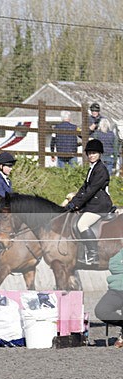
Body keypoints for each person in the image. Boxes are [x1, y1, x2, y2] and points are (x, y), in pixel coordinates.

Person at [65, 138, 113, 266]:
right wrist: (72, 202)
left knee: (82, 224)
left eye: (94, 153)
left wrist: (77, 205)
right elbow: (83, 189)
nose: (91, 155)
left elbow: (91, 191)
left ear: (100, 154)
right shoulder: (92, 168)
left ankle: (93, 254)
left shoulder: (101, 170)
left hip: (100, 205)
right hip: (93, 203)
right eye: (90, 153)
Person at [95, 247, 123, 347]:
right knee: (101, 311)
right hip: (115, 290)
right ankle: (91, 251)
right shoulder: (120, 254)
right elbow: (113, 265)